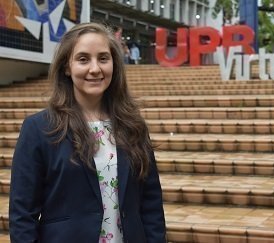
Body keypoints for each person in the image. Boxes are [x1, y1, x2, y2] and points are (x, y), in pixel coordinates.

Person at [9, 22, 166, 243]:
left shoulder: (133, 126)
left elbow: (151, 205)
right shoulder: (39, 129)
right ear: (66, 67)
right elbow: (23, 214)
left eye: (103, 58)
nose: (95, 68)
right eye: (83, 59)